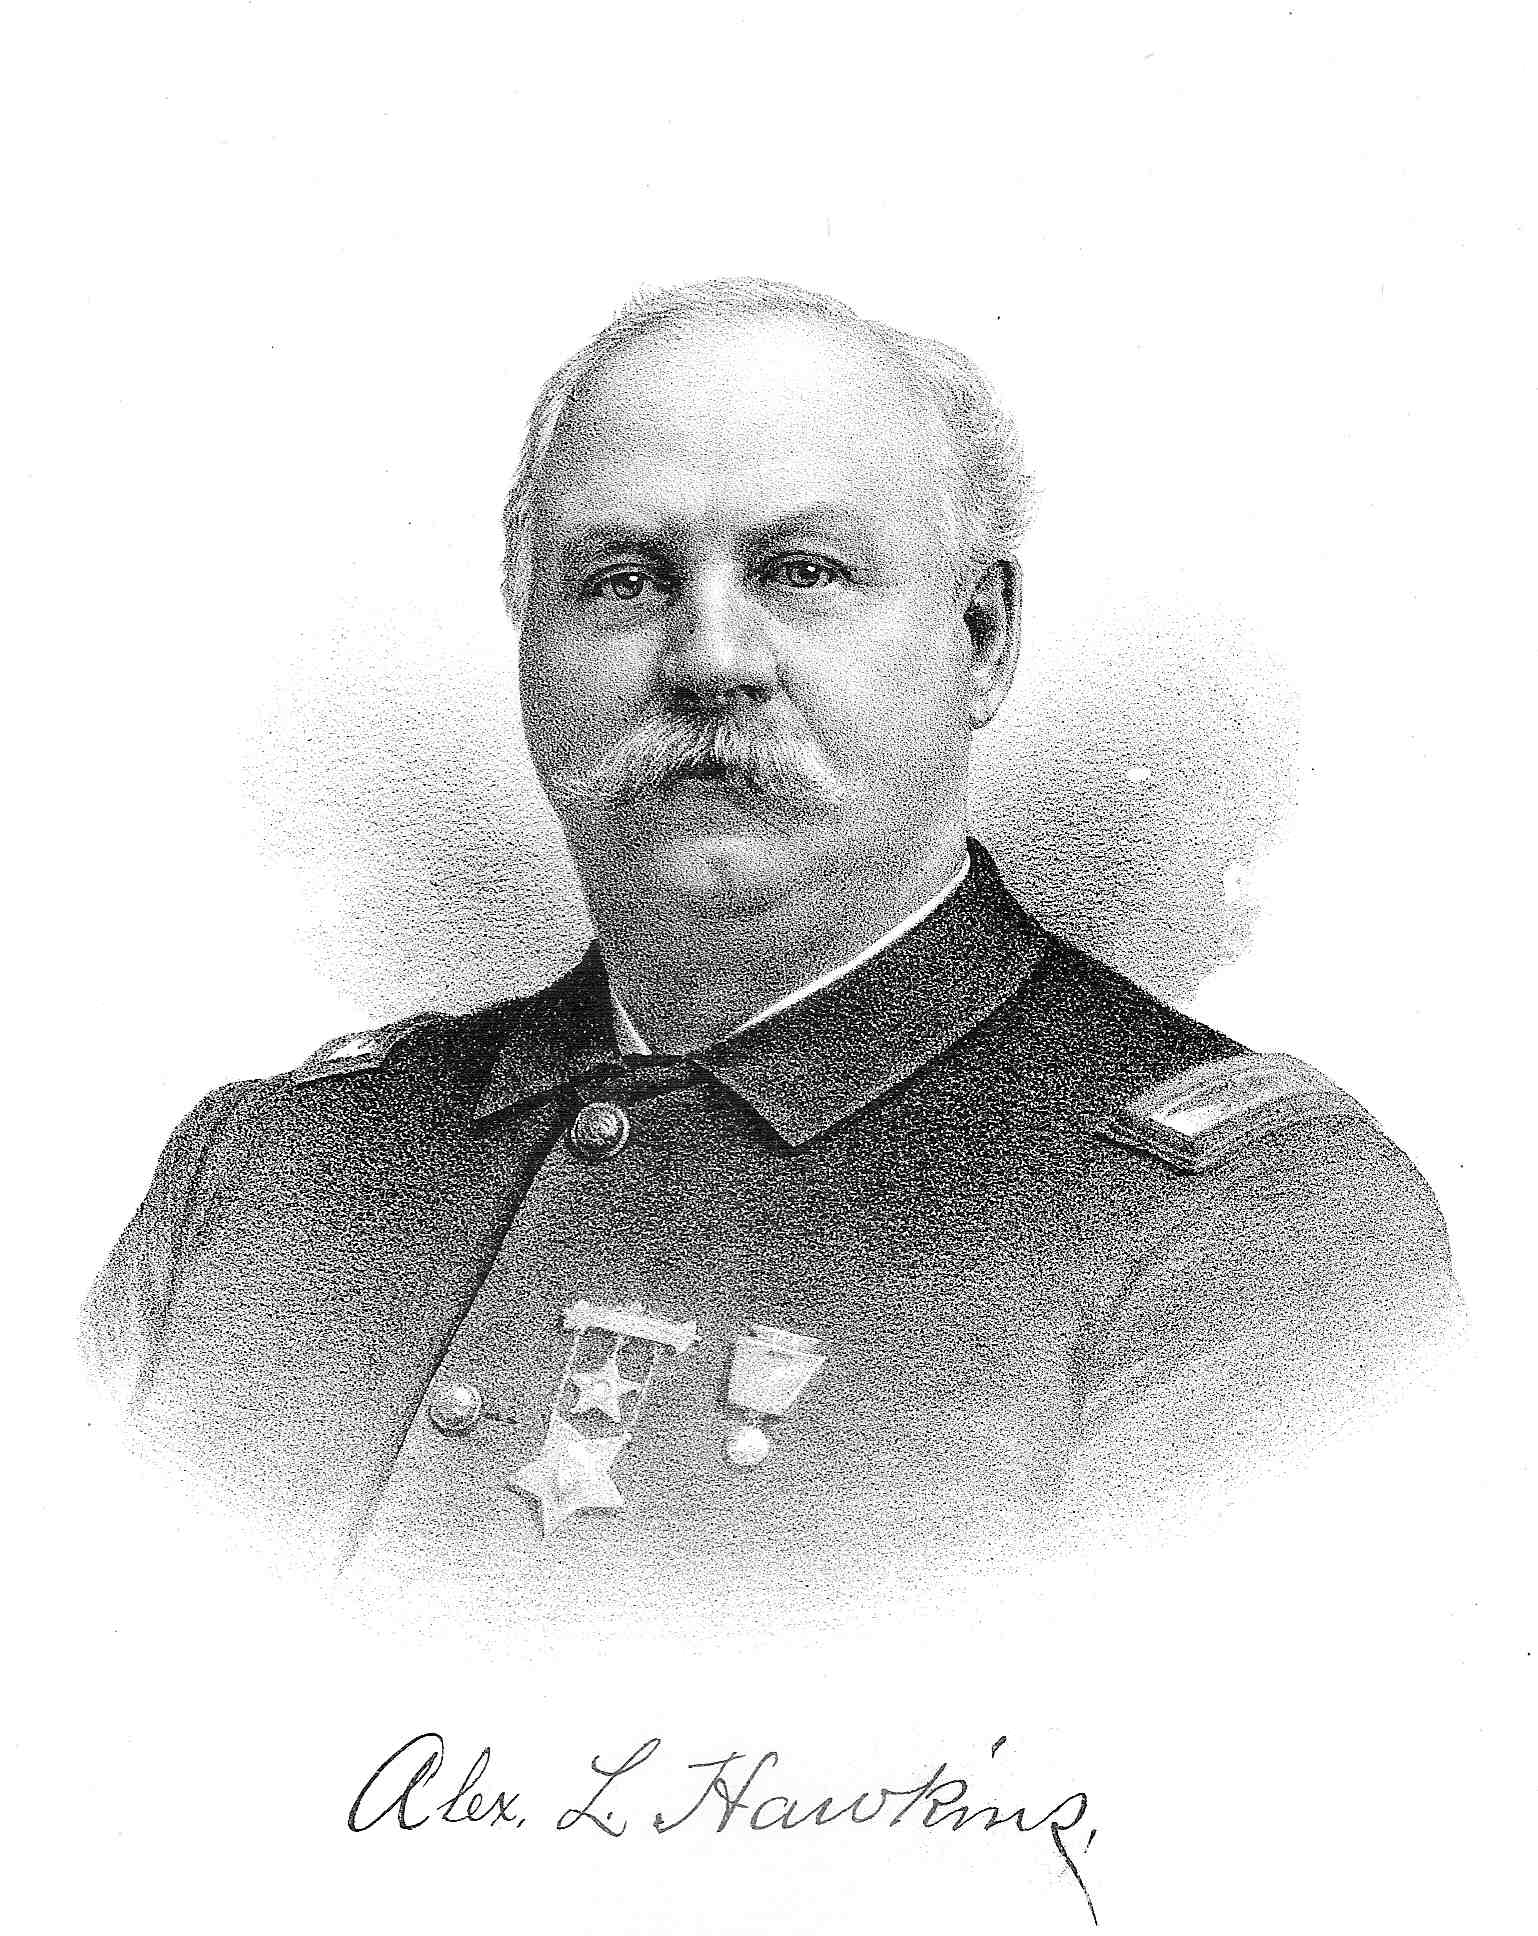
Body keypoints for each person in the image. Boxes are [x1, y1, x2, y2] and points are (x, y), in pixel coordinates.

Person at [81, 277, 1464, 1621]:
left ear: (982, 638)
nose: (710, 660)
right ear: (530, 646)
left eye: (803, 572)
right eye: (623, 581)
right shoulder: (263, 1177)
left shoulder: (1256, 1230)